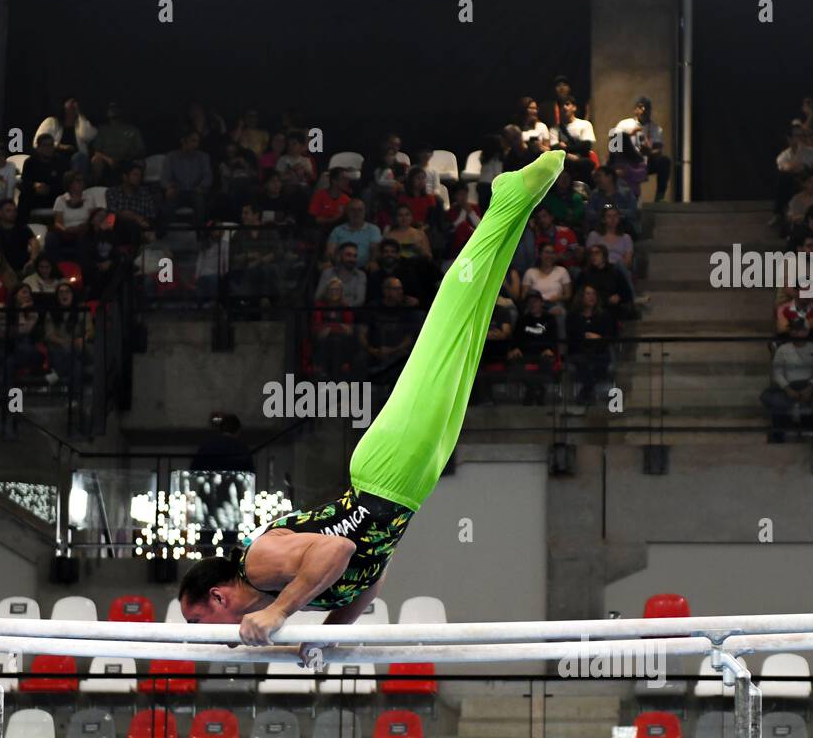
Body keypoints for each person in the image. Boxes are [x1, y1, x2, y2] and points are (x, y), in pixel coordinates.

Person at [177, 151, 566, 645]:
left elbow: (338, 549)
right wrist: (326, 639)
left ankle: (505, 201)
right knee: (470, 335)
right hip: (407, 489)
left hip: (384, 473)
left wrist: (278, 614)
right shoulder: (298, 586)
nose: (194, 633)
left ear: (217, 597)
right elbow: (370, 575)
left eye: (195, 621)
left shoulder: (257, 566)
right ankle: (517, 208)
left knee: (448, 330)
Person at [43, 281, 94, 390]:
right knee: (76, 365)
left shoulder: (82, 309)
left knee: (79, 352)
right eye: (61, 292)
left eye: (67, 292)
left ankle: (57, 374)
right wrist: (67, 343)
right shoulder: (51, 311)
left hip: (78, 346)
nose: (64, 295)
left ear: (73, 294)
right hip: (59, 347)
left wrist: (83, 338)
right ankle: (75, 399)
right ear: (57, 296)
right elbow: (49, 335)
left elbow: (90, 331)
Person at [191, 412, 255, 473]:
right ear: (238, 431)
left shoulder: (208, 445)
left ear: (220, 429)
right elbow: (250, 471)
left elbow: (194, 468)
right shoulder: (242, 448)